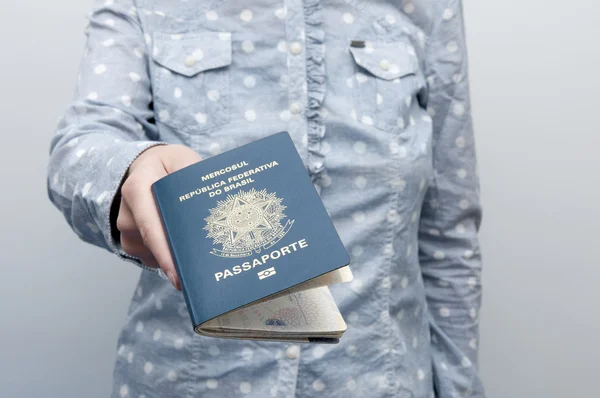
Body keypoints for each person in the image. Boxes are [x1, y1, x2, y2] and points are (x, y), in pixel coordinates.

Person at [46, 0, 485, 397]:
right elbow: (80, 146)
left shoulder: (430, 8)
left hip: (379, 380)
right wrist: (130, 170)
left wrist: (459, 389)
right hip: (188, 379)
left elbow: (448, 235)